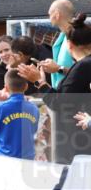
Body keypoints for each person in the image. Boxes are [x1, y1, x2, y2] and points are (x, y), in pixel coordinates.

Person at [18, 12, 91, 164]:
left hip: (80, 144)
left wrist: (39, 81)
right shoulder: (82, 66)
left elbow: (61, 103)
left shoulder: (83, 67)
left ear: (69, 45)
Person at [46, 0, 75, 87]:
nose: (49, 17)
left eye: (49, 14)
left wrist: (58, 68)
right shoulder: (63, 37)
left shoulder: (77, 37)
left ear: (57, 14)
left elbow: (85, 72)